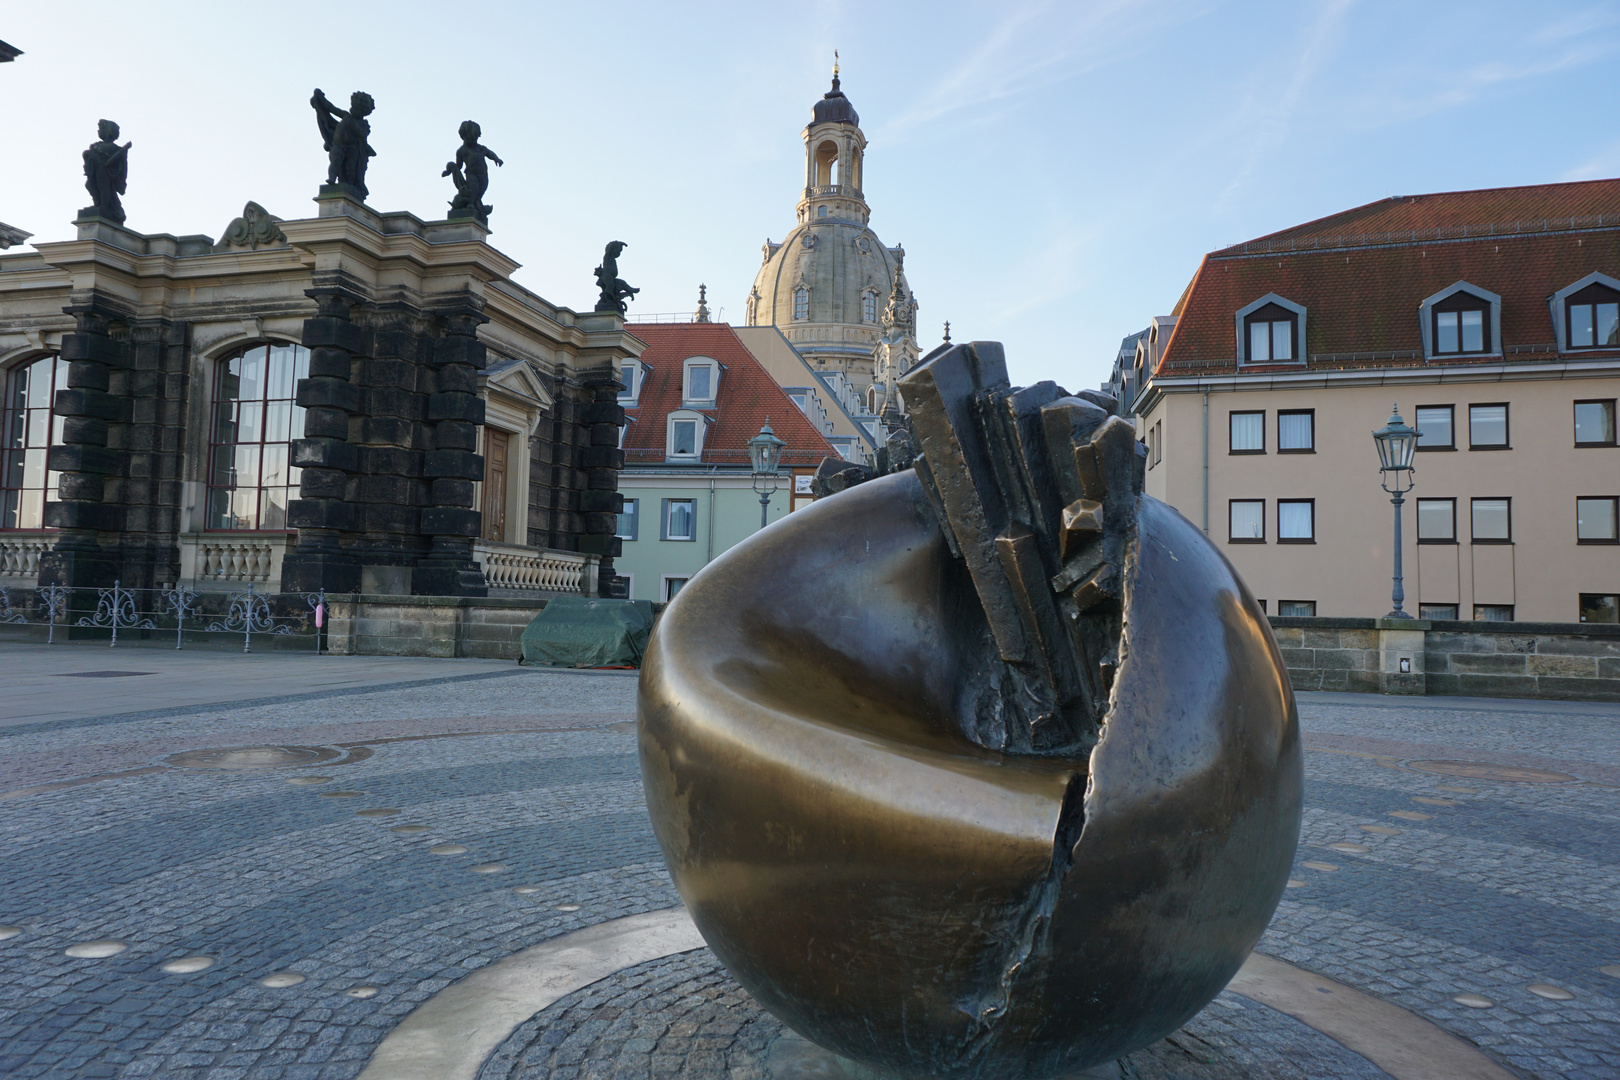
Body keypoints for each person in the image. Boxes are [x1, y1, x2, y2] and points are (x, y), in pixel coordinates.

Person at [310, 89, 376, 198]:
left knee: (350, 171)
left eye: (357, 109)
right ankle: (332, 178)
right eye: (353, 107)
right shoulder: (346, 115)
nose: (352, 110)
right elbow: (331, 108)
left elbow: (362, 134)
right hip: (338, 146)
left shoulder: (363, 124)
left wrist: (351, 123)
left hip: (352, 150)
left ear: (363, 112)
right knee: (335, 161)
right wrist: (321, 99)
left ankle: (351, 186)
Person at [442, 121, 503, 221]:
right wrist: (449, 171)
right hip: (471, 174)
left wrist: (497, 159)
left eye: (476, 137)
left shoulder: (480, 148)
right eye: (472, 137)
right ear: (464, 136)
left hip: (483, 174)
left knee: (482, 189)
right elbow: (459, 166)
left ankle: (477, 203)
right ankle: (471, 204)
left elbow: (489, 153)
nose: (475, 140)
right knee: (473, 188)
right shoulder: (461, 151)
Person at [82, 120, 131, 223]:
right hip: (95, 169)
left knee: (103, 188)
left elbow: (121, 165)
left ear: (109, 132)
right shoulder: (96, 145)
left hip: (104, 171)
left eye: (101, 129)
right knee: (90, 185)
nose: (99, 131)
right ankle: (97, 203)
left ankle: (103, 206)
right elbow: (87, 154)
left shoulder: (115, 148)